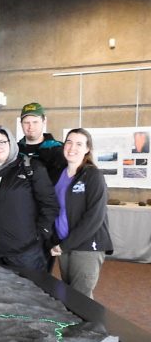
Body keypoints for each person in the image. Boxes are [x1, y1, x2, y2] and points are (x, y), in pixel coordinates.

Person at [0, 125, 58, 271]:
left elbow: (49, 204)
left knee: (27, 292)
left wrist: (40, 234)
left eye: (2, 142)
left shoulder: (31, 168)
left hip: (24, 253)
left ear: (11, 143)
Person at [49, 128, 113, 298]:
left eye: (79, 144)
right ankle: (73, 326)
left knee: (81, 298)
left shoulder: (93, 175)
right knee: (68, 294)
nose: (72, 147)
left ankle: (89, 326)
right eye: (69, 142)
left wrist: (65, 245)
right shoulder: (59, 174)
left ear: (87, 149)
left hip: (86, 247)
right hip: (64, 245)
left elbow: (94, 217)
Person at [18, 102, 66, 184]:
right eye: (26, 122)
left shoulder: (60, 150)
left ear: (44, 121)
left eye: (35, 122)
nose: (31, 127)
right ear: (21, 123)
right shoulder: (14, 151)